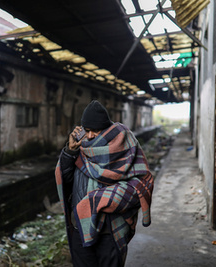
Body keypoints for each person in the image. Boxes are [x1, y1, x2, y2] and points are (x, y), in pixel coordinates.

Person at [55, 100, 154, 267]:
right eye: (87, 131)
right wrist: (70, 151)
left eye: (96, 130)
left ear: (106, 129)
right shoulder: (80, 150)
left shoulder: (125, 147)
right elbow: (65, 180)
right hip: (81, 227)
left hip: (110, 230)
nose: (91, 135)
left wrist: (100, 200)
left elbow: (141, 184)